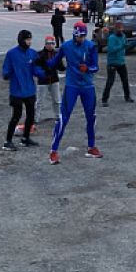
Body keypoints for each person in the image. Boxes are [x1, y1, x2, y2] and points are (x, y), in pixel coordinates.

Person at [47, 21, 101, 164]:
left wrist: (88, 68)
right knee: (63, 117)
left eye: (83, 36)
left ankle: (91, 146)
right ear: (74, 34)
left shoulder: (91, 46)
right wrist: (39, 64)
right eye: (79, 36)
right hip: (72, 85)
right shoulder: (66, 46)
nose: (81, 39)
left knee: (91, 116)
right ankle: (53, 151)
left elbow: (96, 67)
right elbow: (54, 62)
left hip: (87, 85)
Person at [1, 30, 44, 151]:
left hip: (30, 89)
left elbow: (36, 69)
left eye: (30, 39)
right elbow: (6, 71)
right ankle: (7, 141)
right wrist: (6, 74)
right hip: (16, 91)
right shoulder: (11, 54)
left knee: (31, 114)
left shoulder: (33, 53)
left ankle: (26, 138)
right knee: (16, 115)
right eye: (27, 39)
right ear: (21, 40)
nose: (29, 42)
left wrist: (45, 73)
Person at [101, 20, 134, 106]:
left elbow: (125, 45)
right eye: (118, 28)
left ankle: (127, 97)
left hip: (121, 62)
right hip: (112, 62)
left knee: (125, 81)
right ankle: (104, 99)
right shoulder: (112, 38)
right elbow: (111, 50)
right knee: (110, 81)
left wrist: (130, 45)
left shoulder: (123, 36)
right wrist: (122, 46)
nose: (120, 30)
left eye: (121, 28)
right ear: (115, 29)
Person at [35, 35, 64, 123]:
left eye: (52, 43)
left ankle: (58, 115)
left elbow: (60, 66)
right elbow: (36, 67)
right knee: (39, 101)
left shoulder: (56, 54)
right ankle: (35, 118)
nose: (50, 45)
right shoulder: (40, 54)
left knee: (57, 100)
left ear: (54, 44)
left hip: (54, 79)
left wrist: (64, 67)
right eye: (48, 43)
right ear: (45, 44)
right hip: (43, 81)